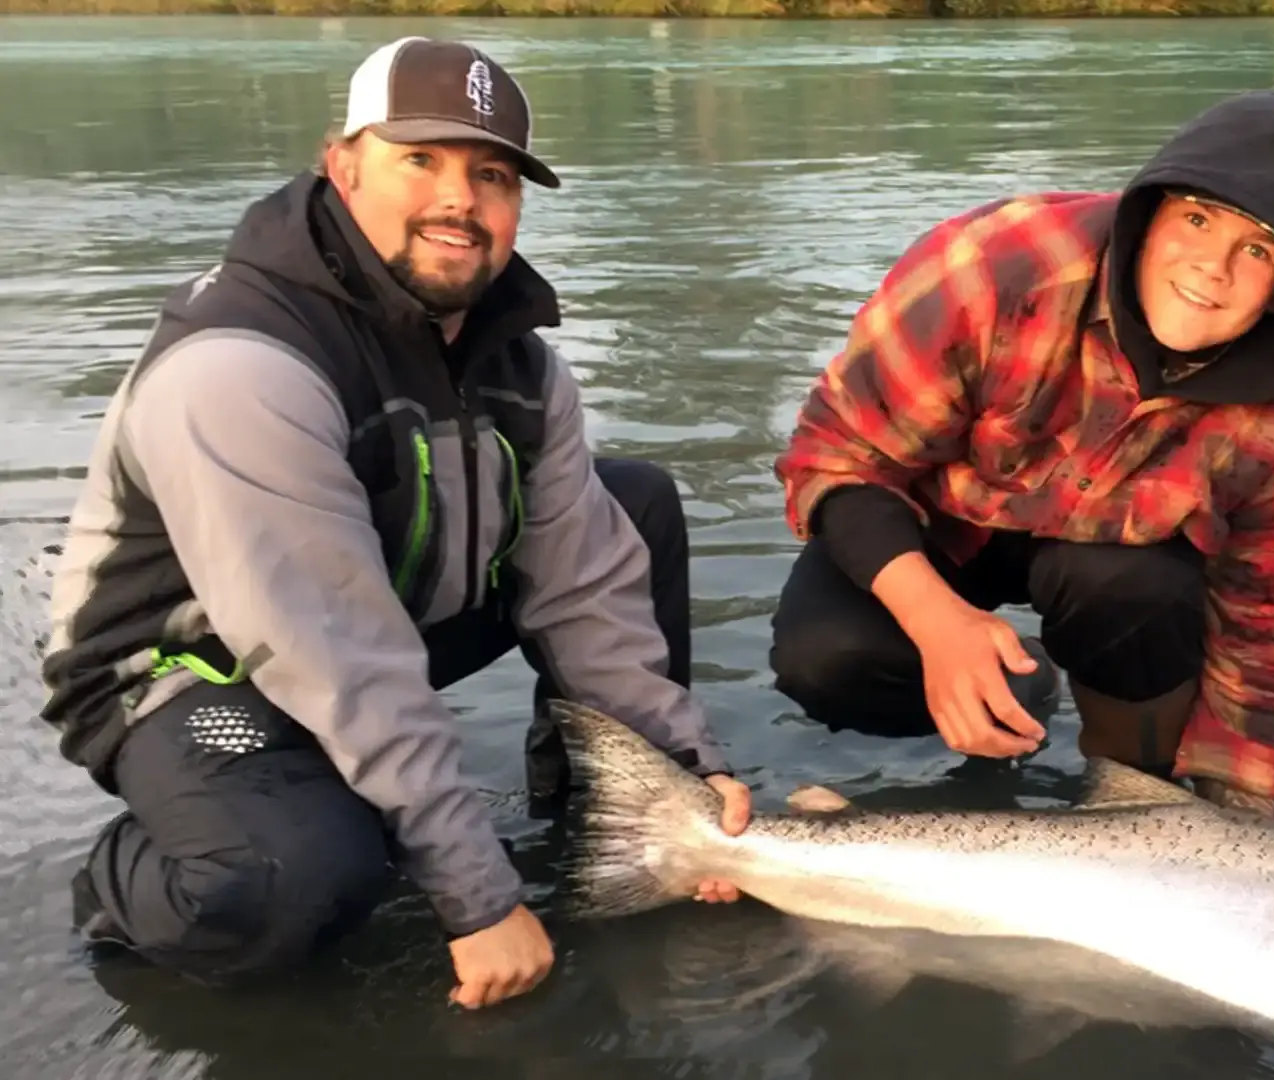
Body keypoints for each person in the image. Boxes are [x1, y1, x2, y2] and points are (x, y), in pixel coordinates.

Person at [38, 37, 751, 1011]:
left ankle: (600, 806)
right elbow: (334, 652)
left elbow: (582, 586)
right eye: (422, 159)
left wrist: (685, 777)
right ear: (344, 164)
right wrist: (478, 895)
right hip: (194, 671)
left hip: (385, 619)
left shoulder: (522, 364)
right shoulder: (242, 365)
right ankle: (133, 881)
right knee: (298, 879)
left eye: (491, 174)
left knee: (628, 503)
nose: (460, 199)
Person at [768, 89, 1274, 819]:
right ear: (1149, 218)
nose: (1212, 268)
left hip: (1111, 566)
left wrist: (1245, 805)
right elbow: (837, 455)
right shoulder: (991, 266)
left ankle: (1126, 797)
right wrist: (938, 625)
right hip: (937, 525)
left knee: (1136, 593)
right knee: (826, 658)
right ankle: (1015, 691)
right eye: (1197, 220)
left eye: (1258, 249)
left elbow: (1256, 616)